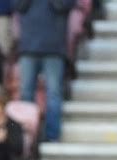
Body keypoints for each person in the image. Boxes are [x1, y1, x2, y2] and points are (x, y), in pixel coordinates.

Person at [12, 0, 75, 141]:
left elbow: (64, 5)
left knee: (53, 93)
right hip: (28, 46)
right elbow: (17, 6)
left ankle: (52, 135)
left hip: (54, 47)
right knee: (25, 93)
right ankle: (26, 138)